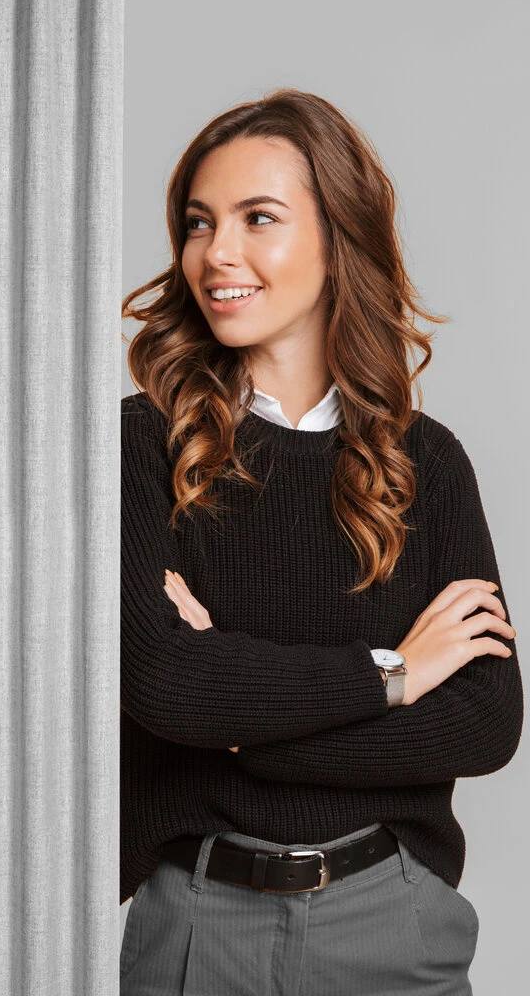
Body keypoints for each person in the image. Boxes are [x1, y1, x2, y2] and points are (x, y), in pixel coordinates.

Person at [120, 88, 522, 995]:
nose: (216, 253)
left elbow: (485, 721)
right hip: (200, 925)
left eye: (257, 218)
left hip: (392, 921)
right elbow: (165, 686)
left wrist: (238, 729)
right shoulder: (140, 446)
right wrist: (395, 675)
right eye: (198, 223)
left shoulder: (428, 463)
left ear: (338, 239)